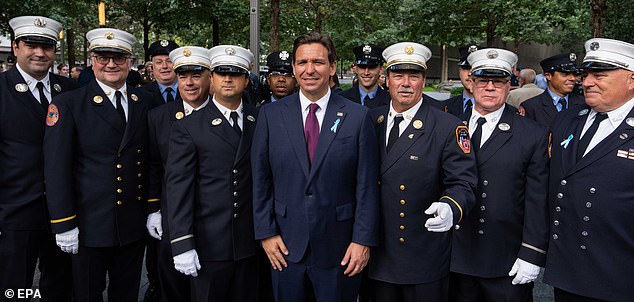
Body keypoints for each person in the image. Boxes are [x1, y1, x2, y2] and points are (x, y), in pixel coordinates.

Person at [252, 32, 379, 302]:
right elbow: (261, 180)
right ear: (295, 68)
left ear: (332, 67)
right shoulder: (270, 116)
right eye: (302, 62)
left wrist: (362, 240)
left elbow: (366, 186)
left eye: (318, 62)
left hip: (341, 249)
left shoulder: (357, 117)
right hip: (284, 247)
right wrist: (266, 232)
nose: (309, 70)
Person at [43, 27, 154, 301]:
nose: (111, 64)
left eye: (118, 57)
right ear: (92, 60)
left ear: (130, 61)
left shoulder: (146, 102)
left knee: (126, 293)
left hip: (132, 222)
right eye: (103, 57)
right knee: (87, 294)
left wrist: (154, 207)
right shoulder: (69, 104)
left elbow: (153, 160)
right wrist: (63, 222)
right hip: (88, 225)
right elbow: (56, 168)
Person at [367, 42, 477, 302]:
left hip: (422, 255)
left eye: (413, 76)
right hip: (376, 253)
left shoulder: (447, 126)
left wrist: (451, 207)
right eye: (398, 75)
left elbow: (463, 183)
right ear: (386, 79)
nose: (406, 83)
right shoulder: (370, 120)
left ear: (423, 80)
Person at [449, 48, 550, 302]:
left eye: (499, 81)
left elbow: (537, 200)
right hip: (454, 257)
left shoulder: (532, 134)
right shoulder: (447, 127)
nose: (490, 87)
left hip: (506, 260)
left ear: (509, 86)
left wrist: (532, 254)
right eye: (483, 80)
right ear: (471, 83)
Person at [165, 45, 259, 301]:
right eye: (221, 73)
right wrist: (183, 243)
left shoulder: (259, 119)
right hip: (209, 246)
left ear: (247, 80)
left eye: (235, 73)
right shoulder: (188, 127)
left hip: (251, 243)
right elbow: (178, 188)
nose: (228, 79)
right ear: (212, 78)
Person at [544, 38, 634, 302]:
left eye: (600, 75)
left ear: (631, 79)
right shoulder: (568, 119)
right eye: (586, 75)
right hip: (567, 272)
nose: (587, 82)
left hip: (620, 274)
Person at [0, 15, 77, 302]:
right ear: (15, 47)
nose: (40, 53)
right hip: (16, 210)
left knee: (60, 284)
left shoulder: (69, 89)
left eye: (47, 47)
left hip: (63, 211)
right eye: (32, 45)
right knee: (14, 287)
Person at [520, 53, 585, 127]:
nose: (572, 78)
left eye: (574, 74)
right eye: (565, 74)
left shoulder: (584, 104)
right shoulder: (531, 107)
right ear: (548, 76)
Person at [339, 44, 390, 109]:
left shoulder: (391, 101)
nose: (366, 73)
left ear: (381, 70)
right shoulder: (341, 99)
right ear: (356, 69)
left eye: (372, 67)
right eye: (362, 67)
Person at [142, 40, 180, 108]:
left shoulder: (190, 90)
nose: (164, 66)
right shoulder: (141, 93)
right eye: (159, 62)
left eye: (169, 61)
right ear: (152, 66)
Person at [444, 45, 478, 116]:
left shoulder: (496, 108)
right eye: (466, 68)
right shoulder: (445, 107)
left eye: (475, 69)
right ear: (459, 71)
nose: (470, 73)